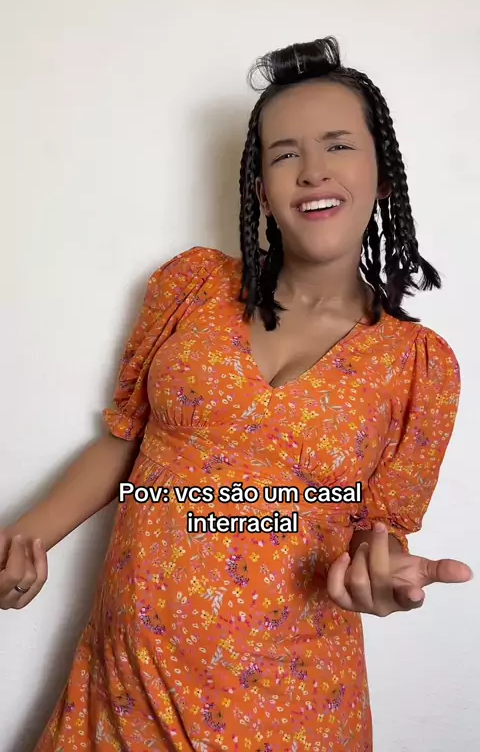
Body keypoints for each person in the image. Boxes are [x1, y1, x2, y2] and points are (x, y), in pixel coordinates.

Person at [0, 37, 473, 752]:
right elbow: (127, 440)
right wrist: (24, 539)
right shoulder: (191, 288)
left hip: (295, 713)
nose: (312, 169)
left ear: (382, 172)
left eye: (339, 145)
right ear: (260, 188)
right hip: (126, 691)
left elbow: (378, 531)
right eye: (284, 154)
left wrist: (381, 576)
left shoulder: (418, 366)